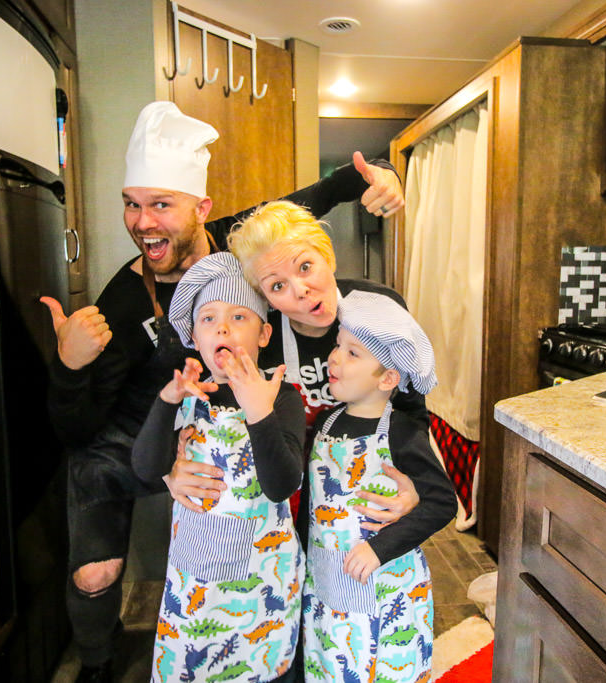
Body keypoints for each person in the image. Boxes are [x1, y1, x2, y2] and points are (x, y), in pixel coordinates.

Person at [40, 101, 405, 681]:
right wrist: (69, 365)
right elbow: (78, 431)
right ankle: (98, 662)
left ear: (201, 209)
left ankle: (292, 639)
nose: (143, 222)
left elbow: (332, 185)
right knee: (95, 575)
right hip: (142, 430)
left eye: (161, 204)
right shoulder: (123, 299)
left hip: (238, 425)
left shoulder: (243, 242)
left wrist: (380, 175)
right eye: (132, 206)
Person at [167, 201, 428, 526]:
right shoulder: (259, 339)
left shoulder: (380, 309)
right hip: (288, 498)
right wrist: (172, 469)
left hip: (374, 488)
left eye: (305, 267)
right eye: (277, 286)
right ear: (265, 299)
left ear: (326, 255)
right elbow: (193, 401)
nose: (300, 290)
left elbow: (412, 412)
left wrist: (416, 482)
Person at [131, 252, 306, 683]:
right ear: (194, 335)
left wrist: (257, 410)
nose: (222, 327)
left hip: (263, 585)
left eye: (239, 316)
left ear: (264, 334)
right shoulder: (187, 394)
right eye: (208, 318)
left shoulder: (279, 397)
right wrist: (166, 402)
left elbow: (282, 484)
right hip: (195, 584)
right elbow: (145, 466)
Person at [300, 289, 455, 683]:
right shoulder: (325, 423)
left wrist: (378, 547)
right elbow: (312, 503)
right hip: (327, 585)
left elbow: (440, 503)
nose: (335, 357)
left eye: (353, 353)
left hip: (385, 590)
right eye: (338, 345)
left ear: (388, 377)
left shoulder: (401, 432)